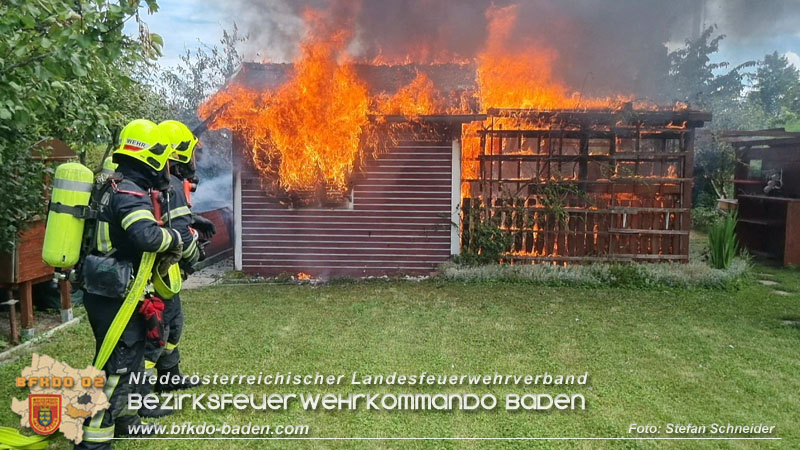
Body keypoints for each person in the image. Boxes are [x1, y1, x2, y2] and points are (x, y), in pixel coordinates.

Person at [77, 119, 184, 449]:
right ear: (151, 157)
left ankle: (127, 420)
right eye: (163, 158)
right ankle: (93, 440)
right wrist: (178, 237)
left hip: (113, 289)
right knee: (117, 366)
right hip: (113, 295)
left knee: (132, 361)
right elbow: (146, 236)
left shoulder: (115, 184)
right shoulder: (129, 193)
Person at [137, 120, 215, 418]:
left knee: (174, 323)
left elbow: (169, 217)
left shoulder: (161, 182)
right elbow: (180, 235)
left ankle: (169, 377)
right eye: (190, 152)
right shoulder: (170, 184)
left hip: (160, 271)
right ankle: (141, 395)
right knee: (157, 331)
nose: (193, 159)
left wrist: (195, 219)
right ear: (179, 153)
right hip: (155, 272)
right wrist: (195, 258)